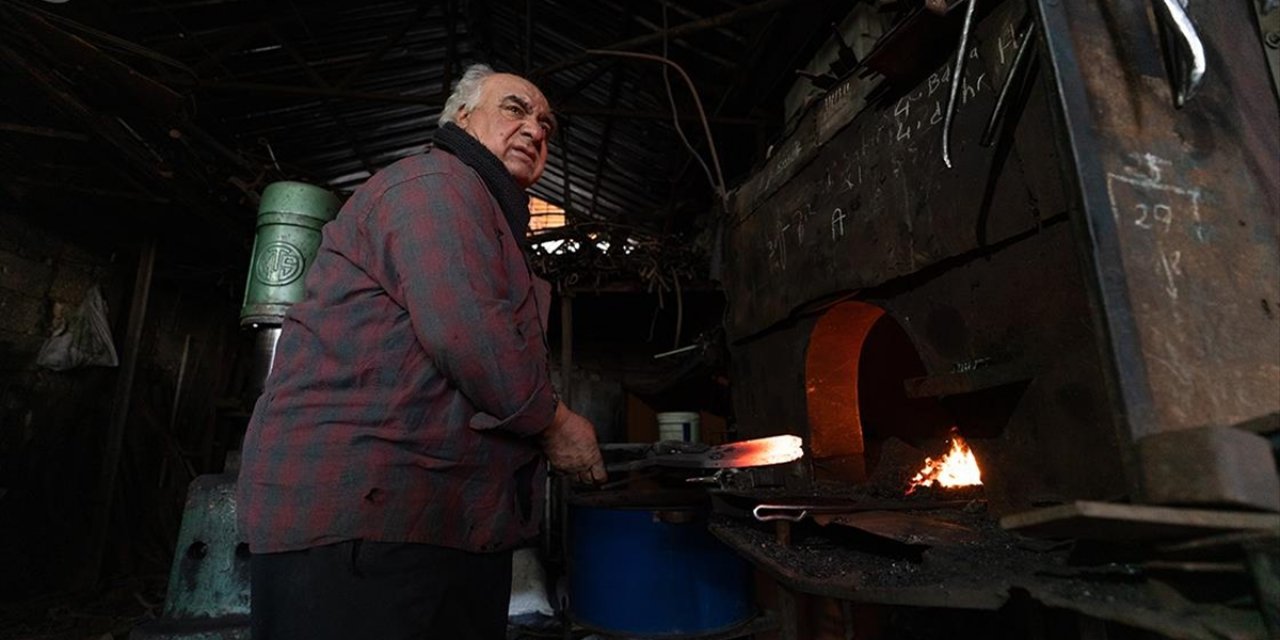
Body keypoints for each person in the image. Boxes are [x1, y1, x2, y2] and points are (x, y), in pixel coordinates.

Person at [237, 63, 607, 640]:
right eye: (515, 108)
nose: (536, 129)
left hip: (420, 523)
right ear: (461, 117)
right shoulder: (438, 185)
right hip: (367, 525)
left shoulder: (483, 209)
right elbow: (470, 336)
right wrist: (555, 424)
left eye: (546, 124)